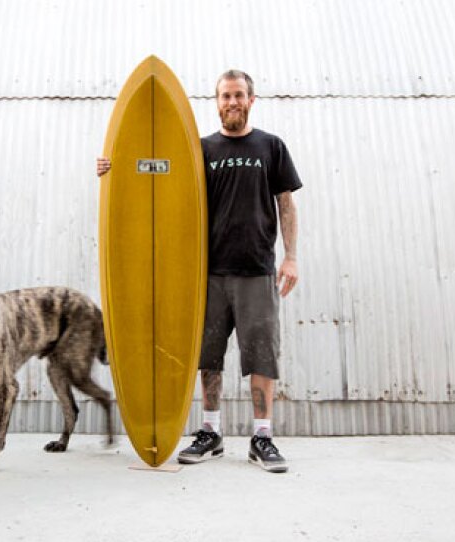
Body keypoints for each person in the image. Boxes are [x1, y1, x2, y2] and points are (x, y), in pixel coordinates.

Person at [96, 69, 301, 473]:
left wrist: (291, 256)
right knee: (208, 356)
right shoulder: (200, 150)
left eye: (239, 95)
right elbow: (155, 178)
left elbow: (287, 204)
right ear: (217, 102)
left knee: (261, 355)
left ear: (251, 100)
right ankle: (211, 433)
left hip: (257, 269)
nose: (232, 102)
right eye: (225, 96)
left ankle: (262, 436)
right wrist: (112, 168)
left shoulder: (271, 146)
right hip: (206, 272)